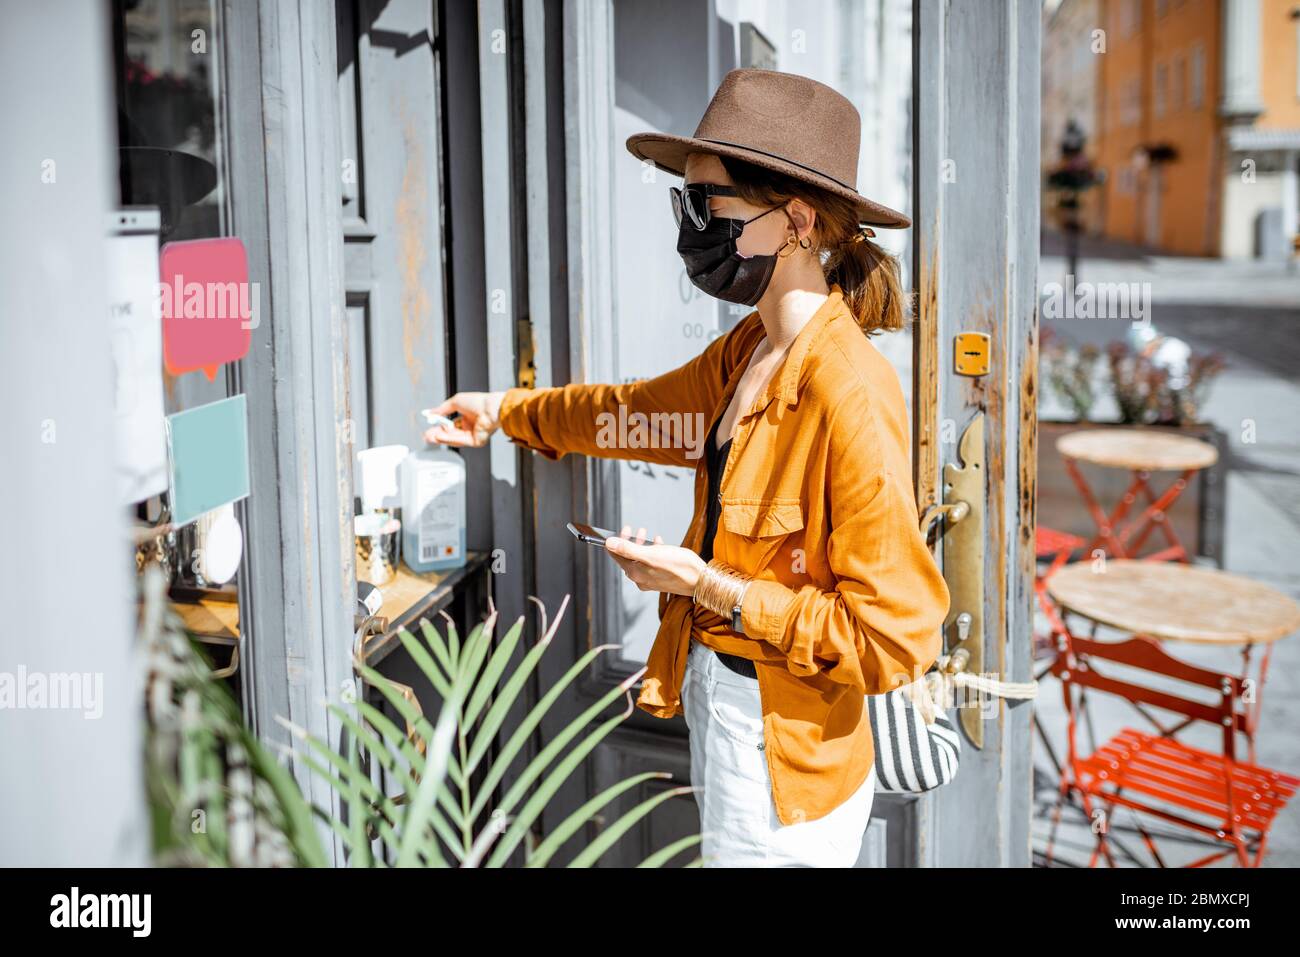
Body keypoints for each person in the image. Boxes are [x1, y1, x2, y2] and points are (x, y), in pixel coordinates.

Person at [424, 69, 950, 867]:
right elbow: (633, 412)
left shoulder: (851, 393)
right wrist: (505, 411)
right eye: (685, 204)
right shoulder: (753, 349)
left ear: (798, 221)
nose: (692, 227)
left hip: (789, 759)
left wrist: (703, 584)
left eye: (711, 207)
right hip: (724, 704)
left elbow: (894, 637)